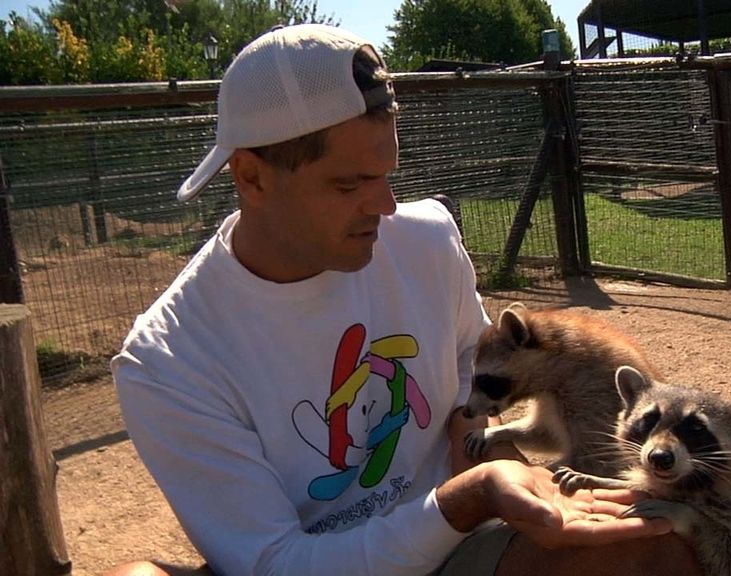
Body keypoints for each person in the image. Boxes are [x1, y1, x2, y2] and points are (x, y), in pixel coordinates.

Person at [105, 23, 699, 576]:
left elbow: (470, 397)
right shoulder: (166, 364)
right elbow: (274, 563)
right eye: (348, 184)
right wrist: (464, 501)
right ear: (251, 176)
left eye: (386, 173)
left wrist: (494, 464)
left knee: (661, 545)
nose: (386, 206)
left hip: (463, 546)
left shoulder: (427, 238)